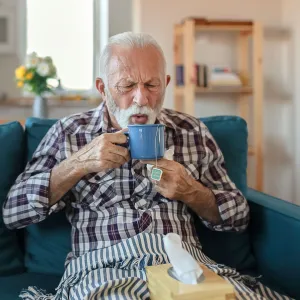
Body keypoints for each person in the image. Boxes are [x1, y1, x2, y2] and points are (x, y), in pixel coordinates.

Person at [3, 32, 288, 300]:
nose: (141, 99)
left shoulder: (191, 131)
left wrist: (191, 191)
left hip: (183, 266)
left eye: (151, 85)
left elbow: (239, 218)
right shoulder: (69, 132)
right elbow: (14, 212)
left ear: (164, 83)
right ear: (102, 88)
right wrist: (78, 163)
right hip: (102, 269)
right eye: (127, 86)